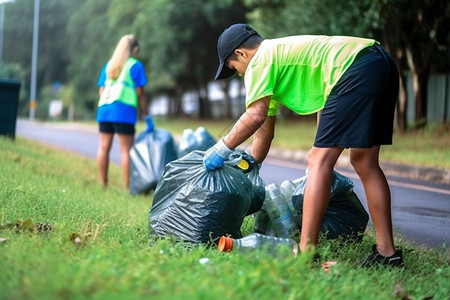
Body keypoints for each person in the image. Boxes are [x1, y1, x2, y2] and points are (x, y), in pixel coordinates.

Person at [203, 23, 403, 267]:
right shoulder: (278, 56)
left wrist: (220, 149)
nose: (241, 75)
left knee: (318, 161)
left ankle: (306, 252)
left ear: (240, 53)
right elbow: (264, 130)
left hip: (355, 69)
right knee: (364, 161)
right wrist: (252, 166)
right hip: (380, 62)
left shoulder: (259, 62)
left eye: (235, 70)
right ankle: (387, 254)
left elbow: (254, 116)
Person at [96, 34, 149, 189]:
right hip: (123, 111)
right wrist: (146, 115)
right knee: (126, 150)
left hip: (104, 109)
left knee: (103, 147)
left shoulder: (109, 65)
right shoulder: (135, 65)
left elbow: (101, 90)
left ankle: (103, 184)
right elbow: (141, 93)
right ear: (135, 49)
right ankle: (128, 188)